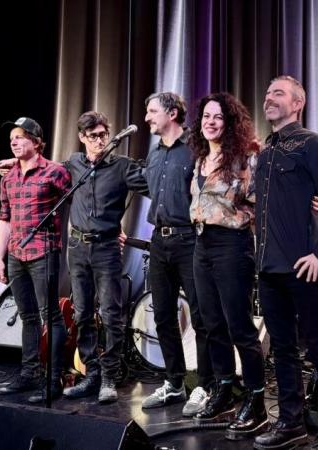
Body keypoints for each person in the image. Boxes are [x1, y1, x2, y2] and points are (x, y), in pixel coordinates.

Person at [0, 112, 148, 403]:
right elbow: (39, 168)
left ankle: (109, 376)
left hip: (105, 248)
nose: (100, 140)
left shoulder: (122, 166)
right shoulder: (73, 165)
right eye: (93, 136)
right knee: (82, 313)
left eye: (104, 134)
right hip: (78, 248)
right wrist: (13, 163)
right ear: (82, 138)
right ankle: (91, 373)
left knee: (110, 313)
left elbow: (154, 188)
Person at [253, 76, 318, 450]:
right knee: (281, 351)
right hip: (269, 270)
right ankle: (290, 423)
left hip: (304, 269)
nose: (268, 98)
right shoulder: (266, 151)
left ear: (297, 104)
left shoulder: (312, 144)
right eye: (267, 93)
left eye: (277, 93)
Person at [186, 93, 268, 439]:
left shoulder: (245, 156)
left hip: (232, 245)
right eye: (206, 116)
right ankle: (223, 388)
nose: (211, 122)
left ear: (230, 122)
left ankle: (256, 398)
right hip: (201, 244)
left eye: (218, 117)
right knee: (209, 322)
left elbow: (260, 201)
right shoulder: (202, 157)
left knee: (239, 326)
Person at [140, 93, 215, 417]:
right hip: (159, 239)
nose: (147, 117)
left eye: (152, 111)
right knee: (163, 316)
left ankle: (206, 385)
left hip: (190, 241)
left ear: (172, 113)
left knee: (201, 317)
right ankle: (174, 382)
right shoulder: (155, 153)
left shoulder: (195, 148)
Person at [0, 117, 72, 403]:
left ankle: (54, 379)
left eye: (21, 137)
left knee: (50, 315)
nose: (14, 141)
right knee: (27, 316)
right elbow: (5, 219)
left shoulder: (55, 172)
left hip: (44, 252)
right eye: (12, 137)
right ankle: (30, 374)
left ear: (37, 142)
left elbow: (80, 199)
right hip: (16, 254)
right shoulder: (9, 177)